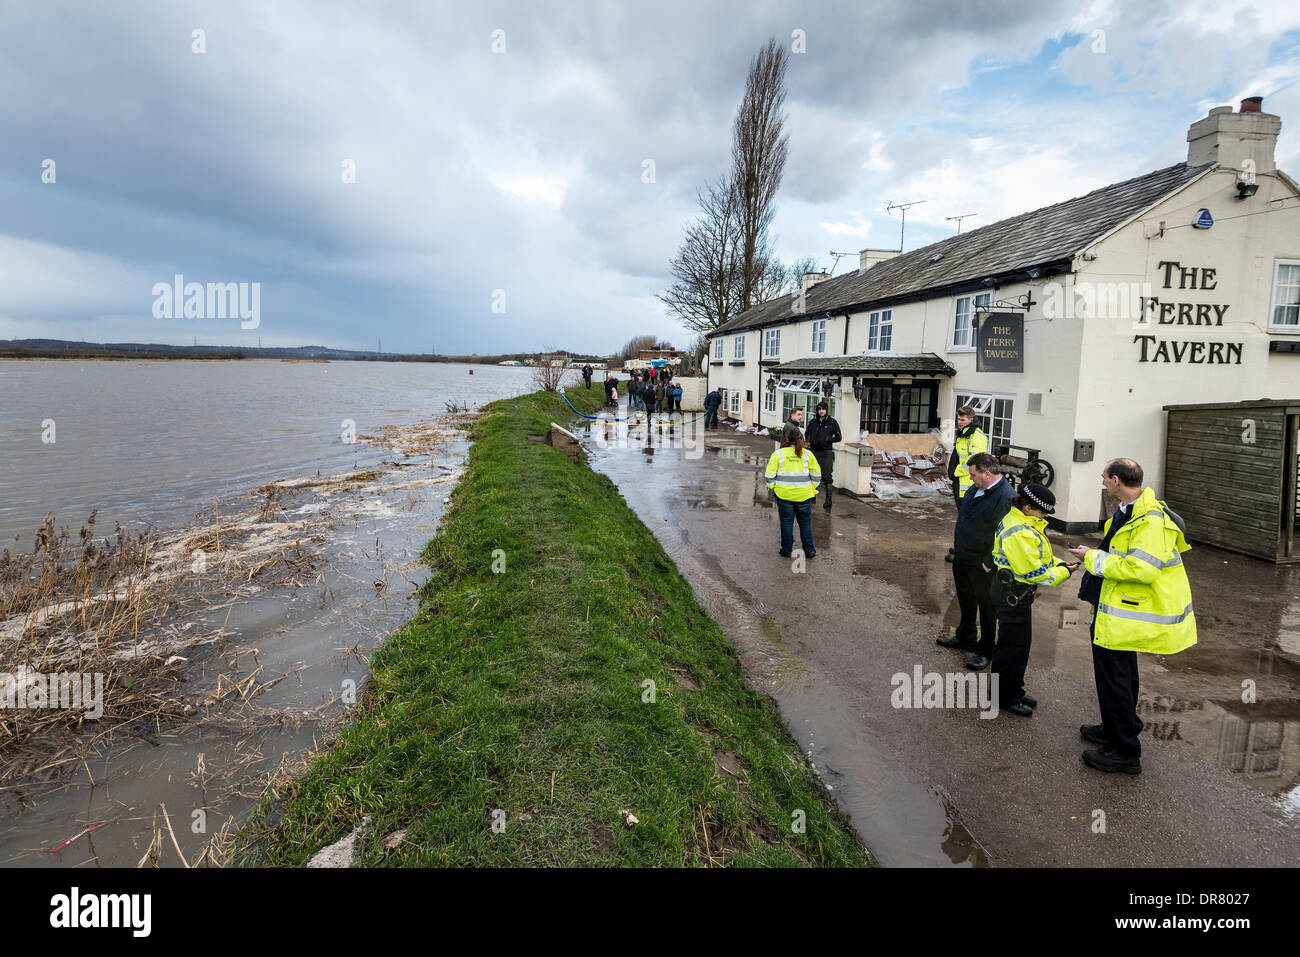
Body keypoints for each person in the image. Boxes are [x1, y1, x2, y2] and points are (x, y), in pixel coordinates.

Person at [1068, 458, 1196, 774]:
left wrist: (1092, 558)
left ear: (1116, 481)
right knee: (1119, 676)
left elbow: (1143, 570)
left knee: (1116, 679)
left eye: (1103, 477)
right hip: (1116, 608)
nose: (1101, 481)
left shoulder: (1150, 522)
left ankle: (1126, 751)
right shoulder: (1128, 514)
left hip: (1126, 612)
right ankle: (1116, 729)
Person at [988, 483, 1077, 716]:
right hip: (1012, 593)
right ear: (1028, 507)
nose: (1045, 516)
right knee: (1010, 648)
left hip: (1017, 594)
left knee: (1020, 645)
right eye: (1043, 511)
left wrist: (1059, 563)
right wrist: (1065, 572)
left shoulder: (1026, 522)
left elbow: (1037, 557)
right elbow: (1034, 573)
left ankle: (1014, 689)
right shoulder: (1019, 530)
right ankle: (1003, 696)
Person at [937, 453, 1014, 670]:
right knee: (966, 598)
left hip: (982, 562)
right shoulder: (977, 487)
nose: (970, 478)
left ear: (987, 473)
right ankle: (965, 636)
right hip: (964, 555)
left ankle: (986, 649)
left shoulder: (1005, 497)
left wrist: (989, 561)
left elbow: (1005, 534)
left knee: (987, 607)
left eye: (973, 474)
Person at [764, 424, 821, 558]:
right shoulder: (808, 454)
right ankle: (809, 550)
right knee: (805, 523)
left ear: (787, 439)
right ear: (801, 438)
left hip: (784, 495)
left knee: (786, 522)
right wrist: (811, 488)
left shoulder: (778, 454)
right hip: (804, 495)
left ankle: (786, 550)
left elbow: (769, 476)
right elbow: (817, 476)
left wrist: (773, 488)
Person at [946, 407, 988, 562]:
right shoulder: (964, 434)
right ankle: (960, 547)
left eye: (963, 420)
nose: (959, 422)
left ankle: (964, 552)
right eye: (958, 419)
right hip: (960, 482)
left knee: (967, 520)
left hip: (967, 484)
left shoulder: (976, 436)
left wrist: (956, 471)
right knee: (962, 519)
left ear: (971, 419)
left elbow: (975, 462)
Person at [805, 400, 842, 510]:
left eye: (823, 409)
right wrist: (809, 441)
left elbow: (839, 437)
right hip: (813, 451)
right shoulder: (813, 422)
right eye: (819, 409)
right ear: (817, 410)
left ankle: (828, 500)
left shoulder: (832, 422)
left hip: (826, 453)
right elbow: (807, 433)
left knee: (827, 476)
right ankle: (812, 497)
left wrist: (828, 439)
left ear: (826, 410)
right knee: (812, 474)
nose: (821, 411)